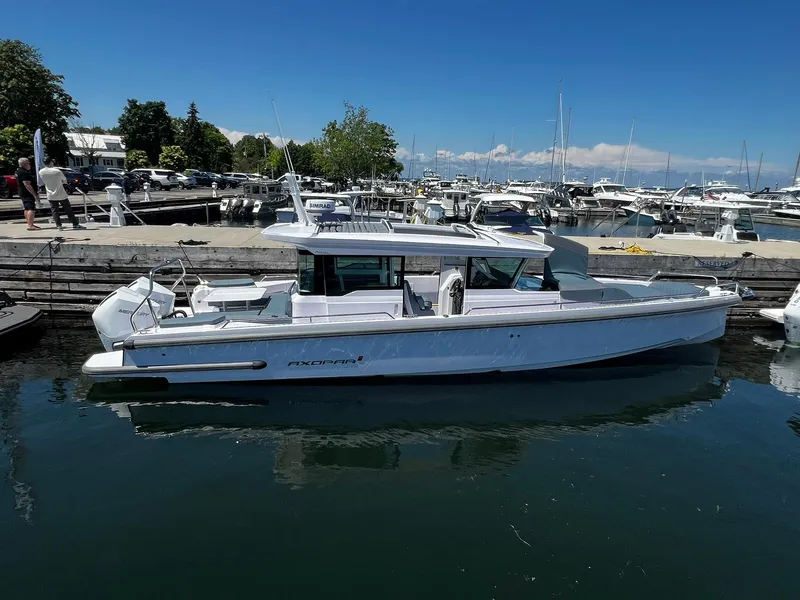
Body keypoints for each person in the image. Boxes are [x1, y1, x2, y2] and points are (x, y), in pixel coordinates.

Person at [38, 158, 85, 230]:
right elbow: (65, 180)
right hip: (61, 193)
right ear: (51, 162)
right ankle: (75, 224)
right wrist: (61, 182)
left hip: (50, 194)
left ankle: (58, 225)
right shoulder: (57, 171)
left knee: (54, 211)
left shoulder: (41, 172)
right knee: (68, 210)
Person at [16, 157, 40, 230]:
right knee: (31, 208)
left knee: (26, 208)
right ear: (24, 164)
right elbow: (27, 184)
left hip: (22, 192)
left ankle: (29, 223)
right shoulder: (24, 172)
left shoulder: (18, 171)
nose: (30, 164)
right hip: (27, 193)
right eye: (28, 163)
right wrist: (35, 195)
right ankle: (30, 225)